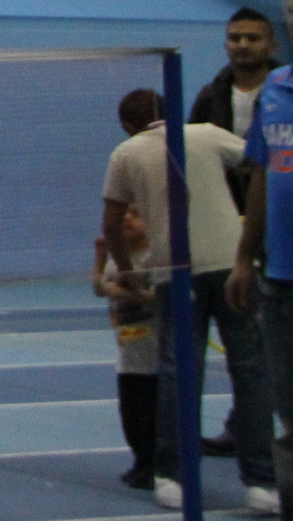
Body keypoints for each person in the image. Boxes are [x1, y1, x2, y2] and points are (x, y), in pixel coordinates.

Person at [101, 87, 273, 513]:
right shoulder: (210, 135)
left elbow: (110, 221)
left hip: (175, 274)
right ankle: (262, 481)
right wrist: (252, 237)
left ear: (126, 123)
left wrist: (129, 273)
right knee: (250, 373)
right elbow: (261, 166)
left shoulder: (125, 152)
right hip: (231, 265)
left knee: (180, 374)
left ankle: (171, 475)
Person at [193, 8, 278, 457]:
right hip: (229, 227)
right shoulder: (210, 97)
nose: (243, 45)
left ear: (272, 46)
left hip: (279, 224)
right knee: (247, 335)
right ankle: (242, 424)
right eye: (235, 37)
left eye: (252, 38)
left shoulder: (284, 93)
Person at [230, 56, 293, 520]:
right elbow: (261, 177)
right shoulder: (274, 89)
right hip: (278, 276)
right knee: (288, 408)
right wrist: (243, 257)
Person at [95, 205, 158, 490]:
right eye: (124, 216)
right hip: (128, 356)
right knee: (131, 418)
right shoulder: (116, 262)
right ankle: (141, 461)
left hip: (154, 357)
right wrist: (99, 257)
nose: (129, 220)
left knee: (153, 416)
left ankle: (155, 464)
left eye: (137, 213)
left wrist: (117, 290)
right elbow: (99, 287)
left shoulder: (155, 259)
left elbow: (157, 299)